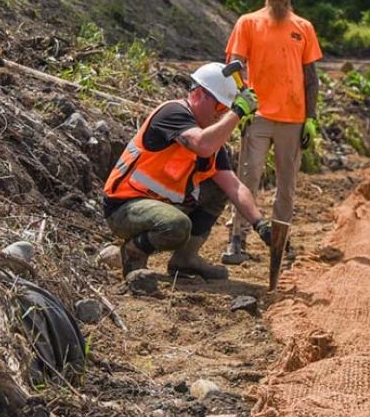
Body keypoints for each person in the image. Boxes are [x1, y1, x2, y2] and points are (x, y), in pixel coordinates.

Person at [103, 62, 273, 280]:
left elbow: (233, 186)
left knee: (218, 188)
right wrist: (237, 112)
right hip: (124, 207)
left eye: (225, 110)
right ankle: (133, 252)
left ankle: (185, 259)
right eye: (221, 108)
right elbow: (201, 145)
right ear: (200, 94)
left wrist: (260, 224)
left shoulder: (212, 140)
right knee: (177, 225)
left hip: (159, 206)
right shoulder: (173, 113)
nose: (221, 116)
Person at [221, 0, 323, 265]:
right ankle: (236, 239)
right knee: (247, 179)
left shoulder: (303, 27)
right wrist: (242, 104)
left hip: (293, 119)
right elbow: (234, 66)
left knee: (287, 186)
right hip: (259, 115)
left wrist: (311, 119)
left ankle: (281, 240)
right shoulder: (248, 23)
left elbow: (311, 77)